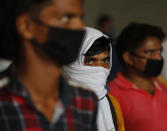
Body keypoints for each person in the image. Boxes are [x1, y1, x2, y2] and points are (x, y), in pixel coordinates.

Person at [0, 0, 98, 130]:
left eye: (81, 18)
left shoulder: (85, 100)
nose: (79, 26)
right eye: (65, 18)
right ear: (26, 25)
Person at [108, 23, 167, 131]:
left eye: (160, 51)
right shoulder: (113, 95)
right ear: (129, 58)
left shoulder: (163, 87)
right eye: (150, 52)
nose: (158, 57)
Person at [64, 27, 125, 131]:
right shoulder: (55, 106)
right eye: (91, 61)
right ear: (72, 62)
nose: (100, 68)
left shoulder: (112, 104)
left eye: (105, 60)